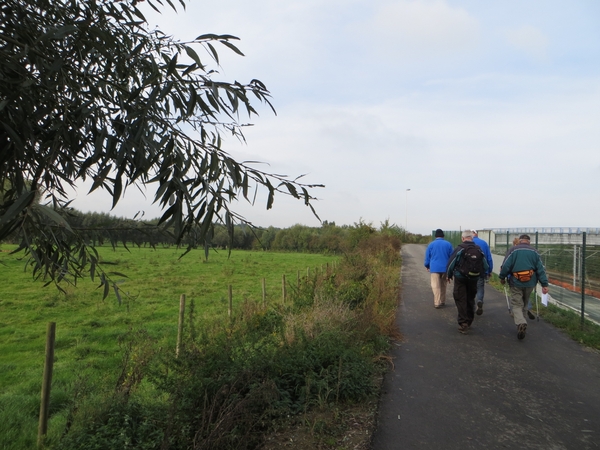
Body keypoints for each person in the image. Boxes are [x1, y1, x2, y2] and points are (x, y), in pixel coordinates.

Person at [499, 234, 549, 340]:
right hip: (530, 283)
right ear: (529, 242)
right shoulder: (535, 252)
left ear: (520, 240)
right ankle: (522, 325)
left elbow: (506, 266)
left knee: (517, 304)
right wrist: (544, 284)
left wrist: (502, 277)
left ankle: (521, 322)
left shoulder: (513, 250)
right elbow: (540, 269)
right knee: (525, 304)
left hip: (515, 282)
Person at [446, 230, 488, 333]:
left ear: (463, 238)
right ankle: (469, 321)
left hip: (460, 277)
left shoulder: (460, 248)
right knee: (470, 298)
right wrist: (482, 275)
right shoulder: (478, 249)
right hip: (474, 278)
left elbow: (452, 263)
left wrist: (449, 275)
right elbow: (485, 265)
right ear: (472, 238)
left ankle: (463, 322)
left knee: (460, 298)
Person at [424, 229, 454, 309]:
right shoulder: (448, 244)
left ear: (436, 236)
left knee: (435, 285)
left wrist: (427, 265)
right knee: (443, 284)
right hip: (445, 268)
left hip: (434, 268)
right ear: (443, 236)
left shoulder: (431, 245)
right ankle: (442, 301)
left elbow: (428, 257)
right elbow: (452, 257)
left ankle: (437, 302)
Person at [471, 230, 493, 316]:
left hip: (469, 271)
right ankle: (479, 300)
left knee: (470, 288)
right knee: (480, 287)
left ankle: (471, 306)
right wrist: (489, 270)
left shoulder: (468, 243)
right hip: (481, 269)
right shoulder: (483, 243)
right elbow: (489, 257)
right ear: (477, 234)